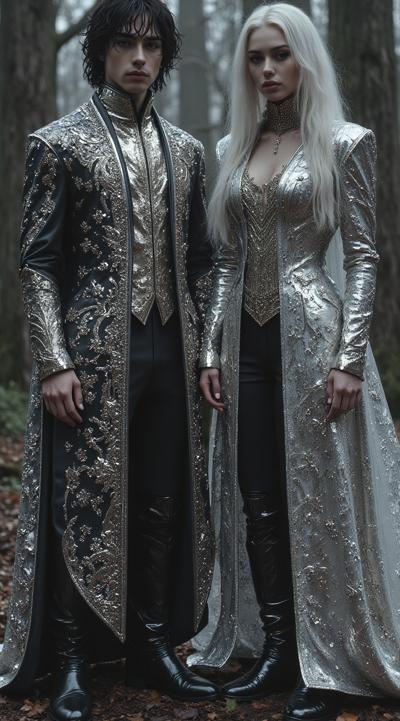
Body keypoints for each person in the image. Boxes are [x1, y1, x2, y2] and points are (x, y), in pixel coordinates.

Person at [0, 1, 219, 719]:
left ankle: (152, 645)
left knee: (160, 498)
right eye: (126, 44)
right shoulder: (58, 144)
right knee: (81, 499)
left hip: (172, 351)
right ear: (101, 50)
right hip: (91, 355)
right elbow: (36, 262)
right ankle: (70, 659)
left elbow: (202, 262)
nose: (139, 58)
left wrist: (206, 349)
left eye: (152, 46)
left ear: (165, 55)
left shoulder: (187, 151)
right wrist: (53, 359)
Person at [198, 3, 400, 720]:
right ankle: (281, 650)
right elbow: (225, 262)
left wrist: (350, 357)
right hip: (243, 347)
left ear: (305, 58)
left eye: (279, 54)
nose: (267, 69)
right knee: (257, 494)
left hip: (315, 340)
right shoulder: (233, 146)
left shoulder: (345, 143)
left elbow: (365, 257)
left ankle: (327, 660)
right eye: (256, 58)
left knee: (315, 498)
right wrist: (209, 348)